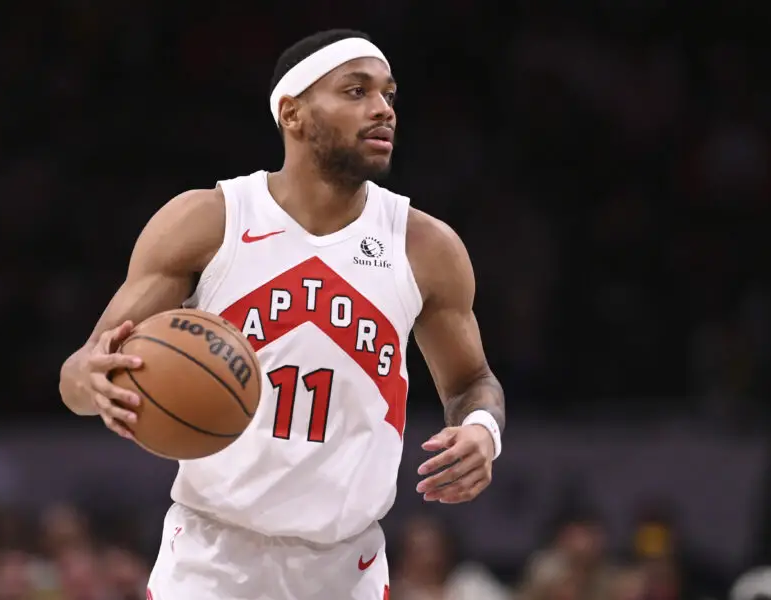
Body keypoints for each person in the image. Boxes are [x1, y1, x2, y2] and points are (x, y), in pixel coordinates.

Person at [57, 29, 506, 600]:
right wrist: (91, 382)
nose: (382, 110)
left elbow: (473, 383)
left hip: (347, 565)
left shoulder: (424, 246)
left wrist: (481, 430)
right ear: (292, 113)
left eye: (389, 96)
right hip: (211, 559)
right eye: (356, 91)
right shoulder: (209, 222)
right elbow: (80, 375)